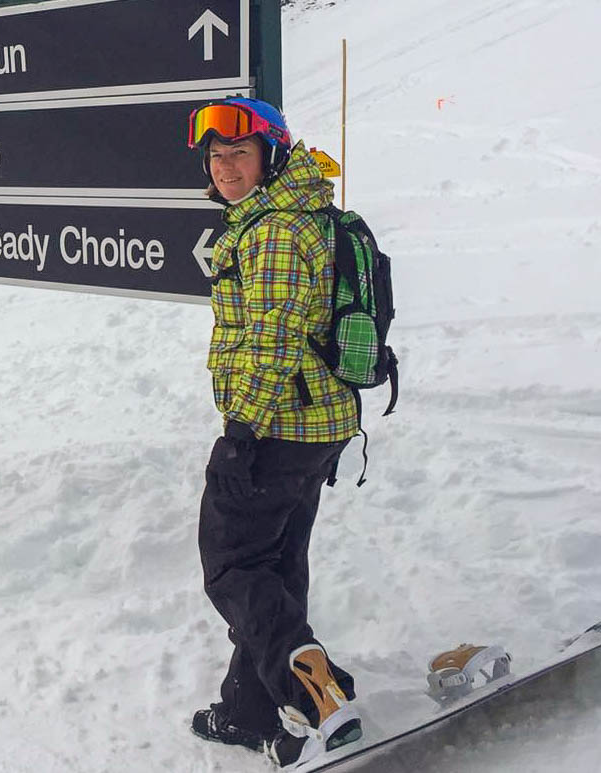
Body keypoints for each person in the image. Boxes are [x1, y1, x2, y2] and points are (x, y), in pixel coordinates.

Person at [185, 98, 362, 768]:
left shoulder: (277, 232)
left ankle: (312, 693)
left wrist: (240, 434)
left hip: (278, 427)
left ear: (272, 155)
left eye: (240, 153)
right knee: (277, 565)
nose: (226, 167)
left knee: (231, 565)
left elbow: (272, 340)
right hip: (313, 423)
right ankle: (251, 710)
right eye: (216, 155)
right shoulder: (286, 215)